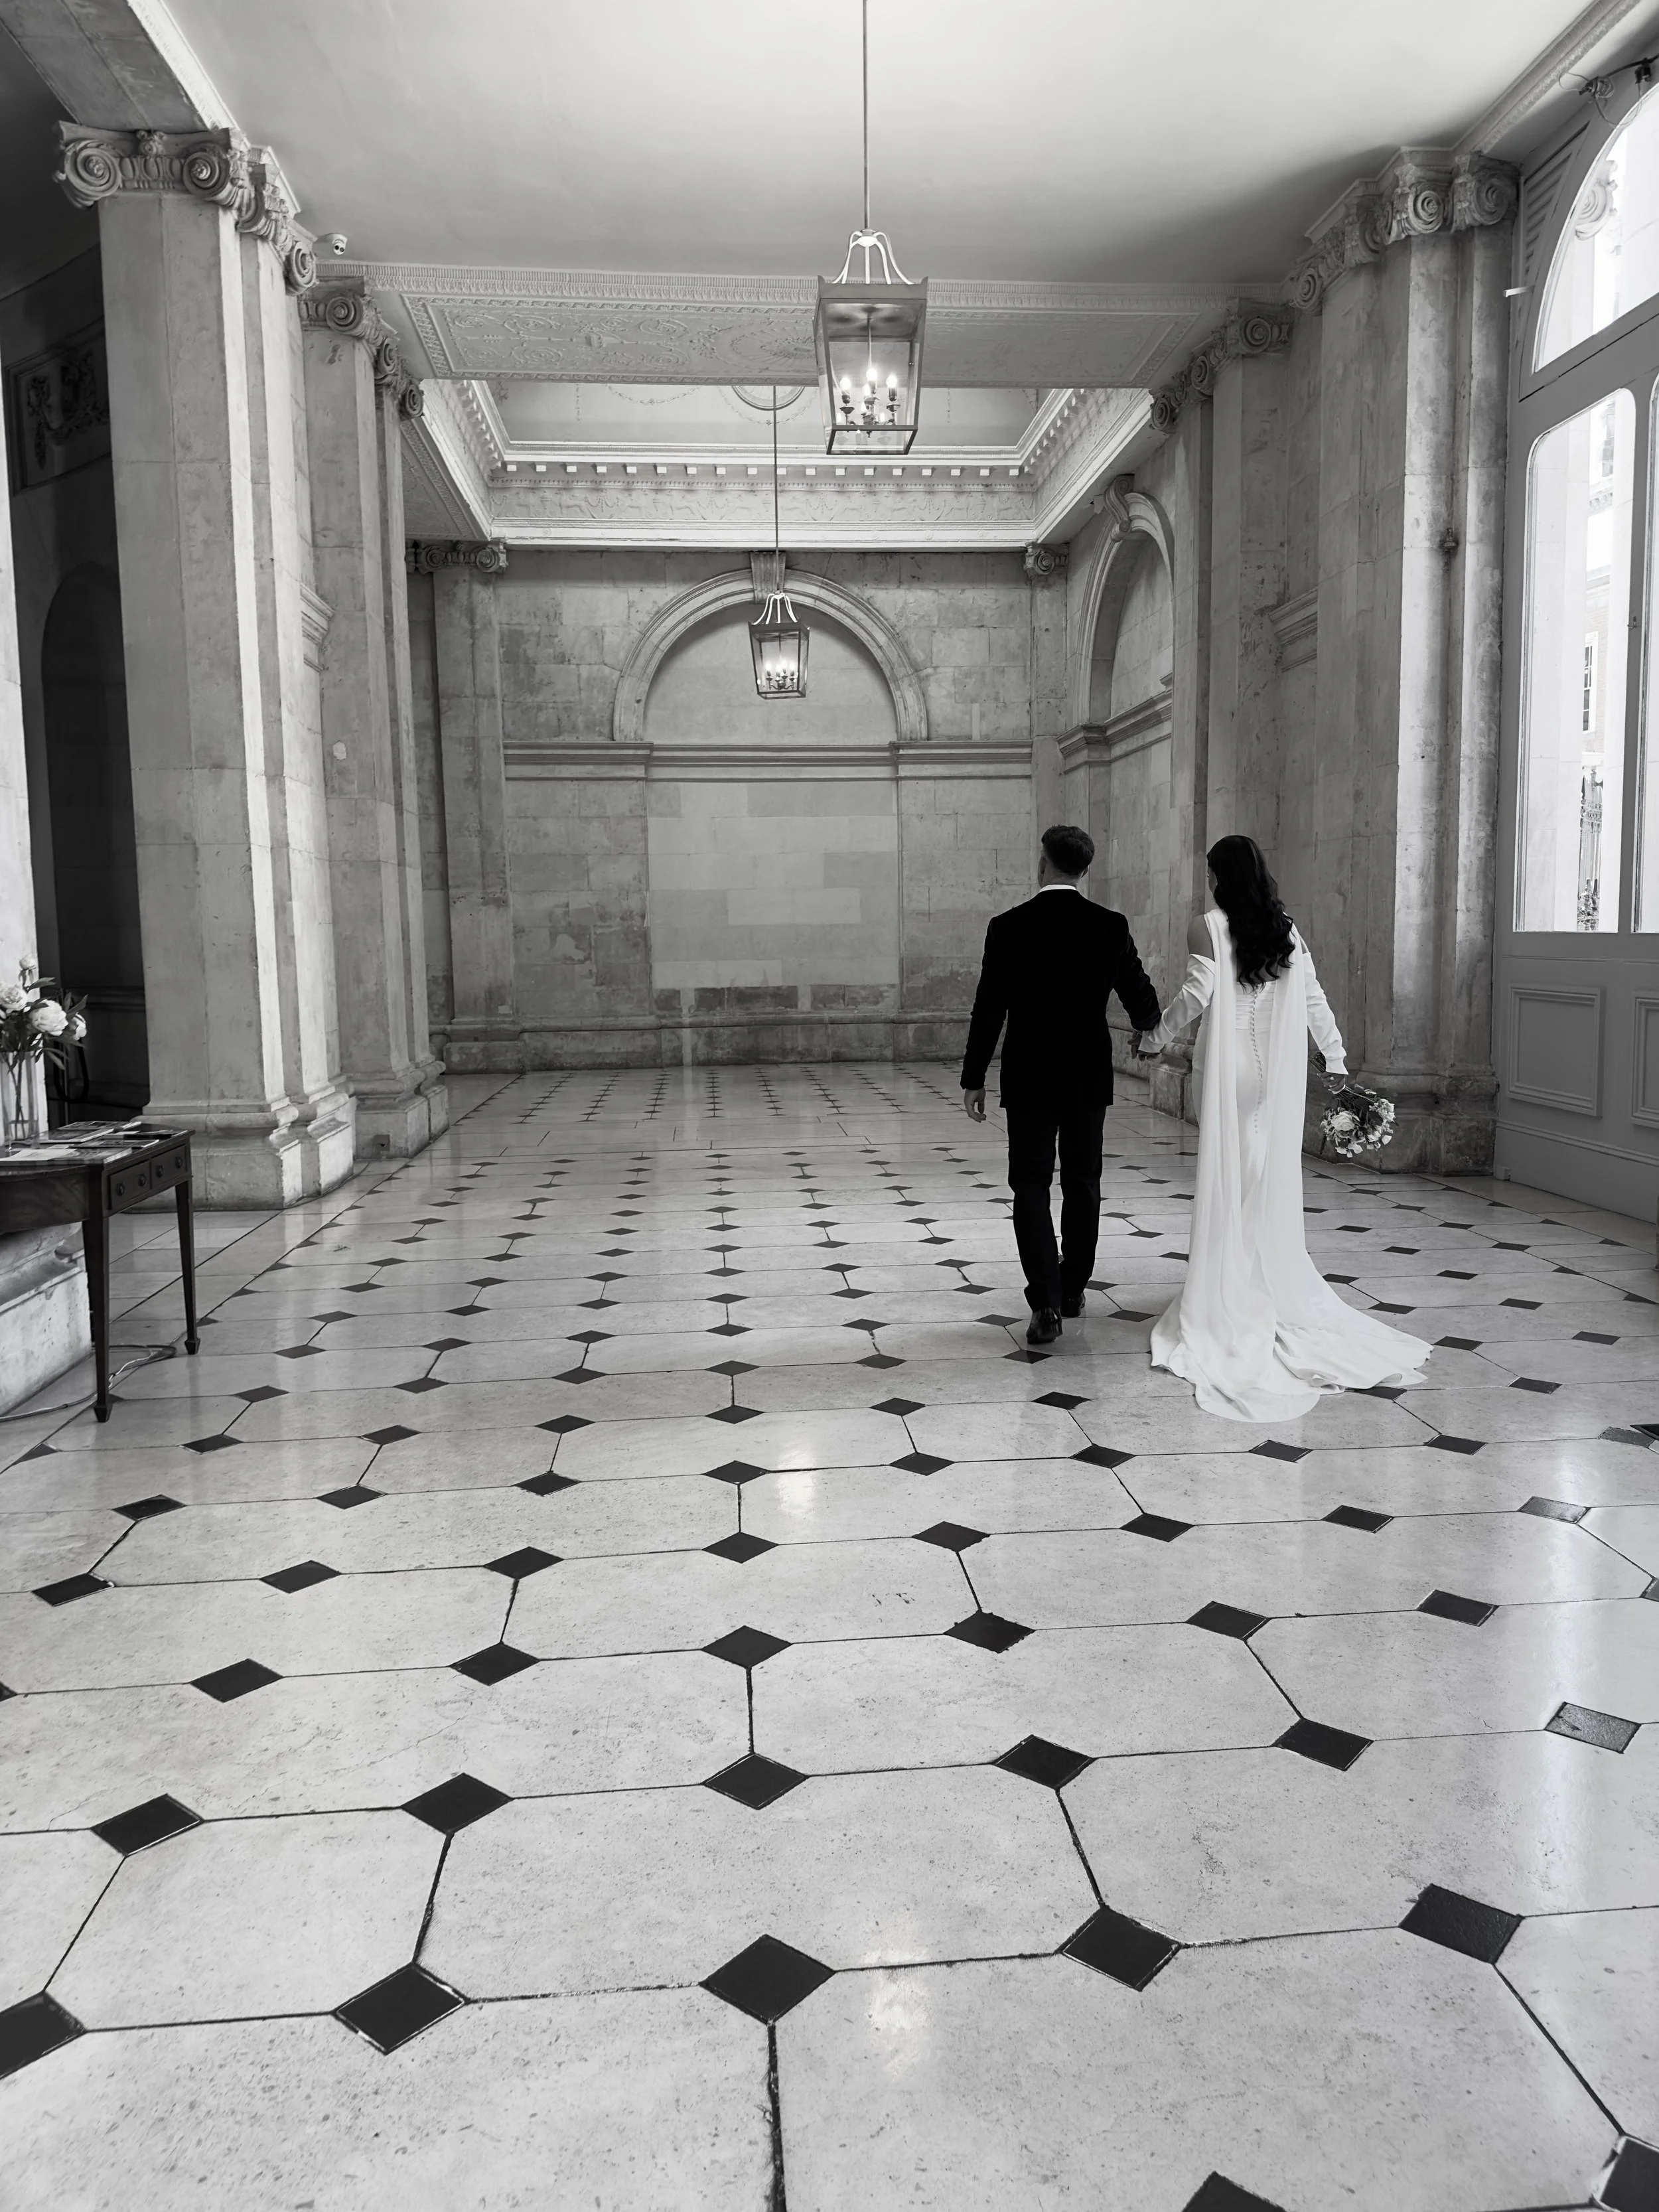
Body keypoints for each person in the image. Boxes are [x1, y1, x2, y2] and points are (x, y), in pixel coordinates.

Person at [1136, 834, 1430, 1420]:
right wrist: (1337, 1058)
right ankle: (1254, 1278)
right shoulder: (1285, 928)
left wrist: (1154, 1036)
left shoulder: (1208, 926)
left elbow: (1196, 995)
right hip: (1277, 1076)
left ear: (1217, 874)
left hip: (1228, 1072)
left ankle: (1229, 1291)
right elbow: (1314, 997)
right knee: (1262, 1175)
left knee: (1231, 1177)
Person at [962, 823, 1161, 1346]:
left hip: (1029, 1073)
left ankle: (1045, 1303)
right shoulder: (1109, 925)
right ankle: (1073, 1288)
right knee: (1083, 1181)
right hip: (1086, 1074)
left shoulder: (1008, 926)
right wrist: (1149, 1030)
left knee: (1030, 1184)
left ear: (1043, 861)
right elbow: (1143, 1001)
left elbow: (989, 1009)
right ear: (1083, 868)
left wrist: (973, 1077)